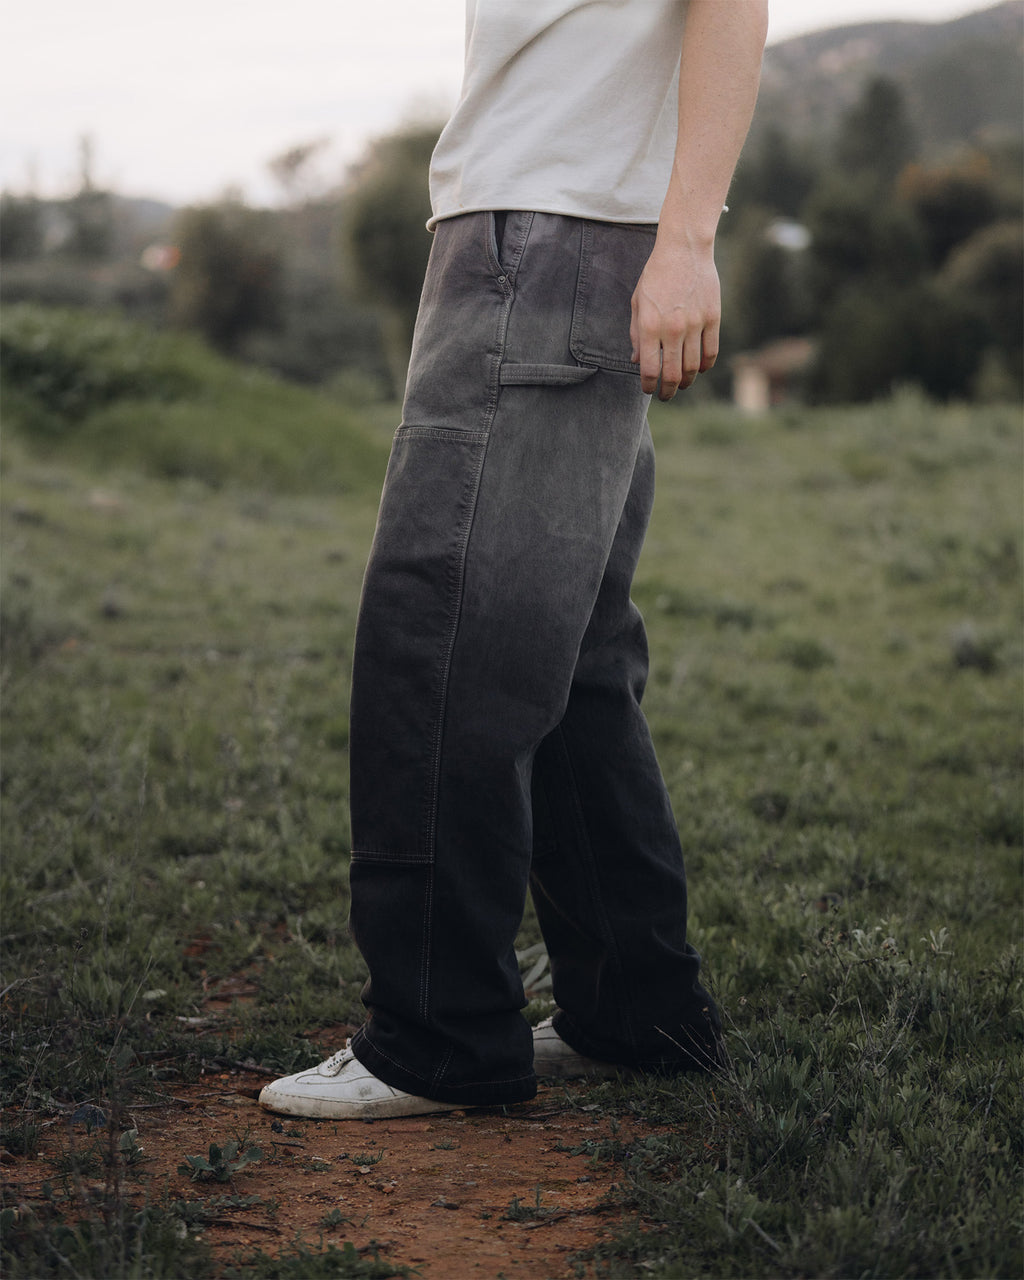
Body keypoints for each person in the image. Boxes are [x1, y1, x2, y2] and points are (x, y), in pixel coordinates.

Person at [259, 0, 768, 1121]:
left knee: (438, 635)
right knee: (569, 657)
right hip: (544, 239)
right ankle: (637, 1006)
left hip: (541, 243)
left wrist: (687, 240)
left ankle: (437, 1036)